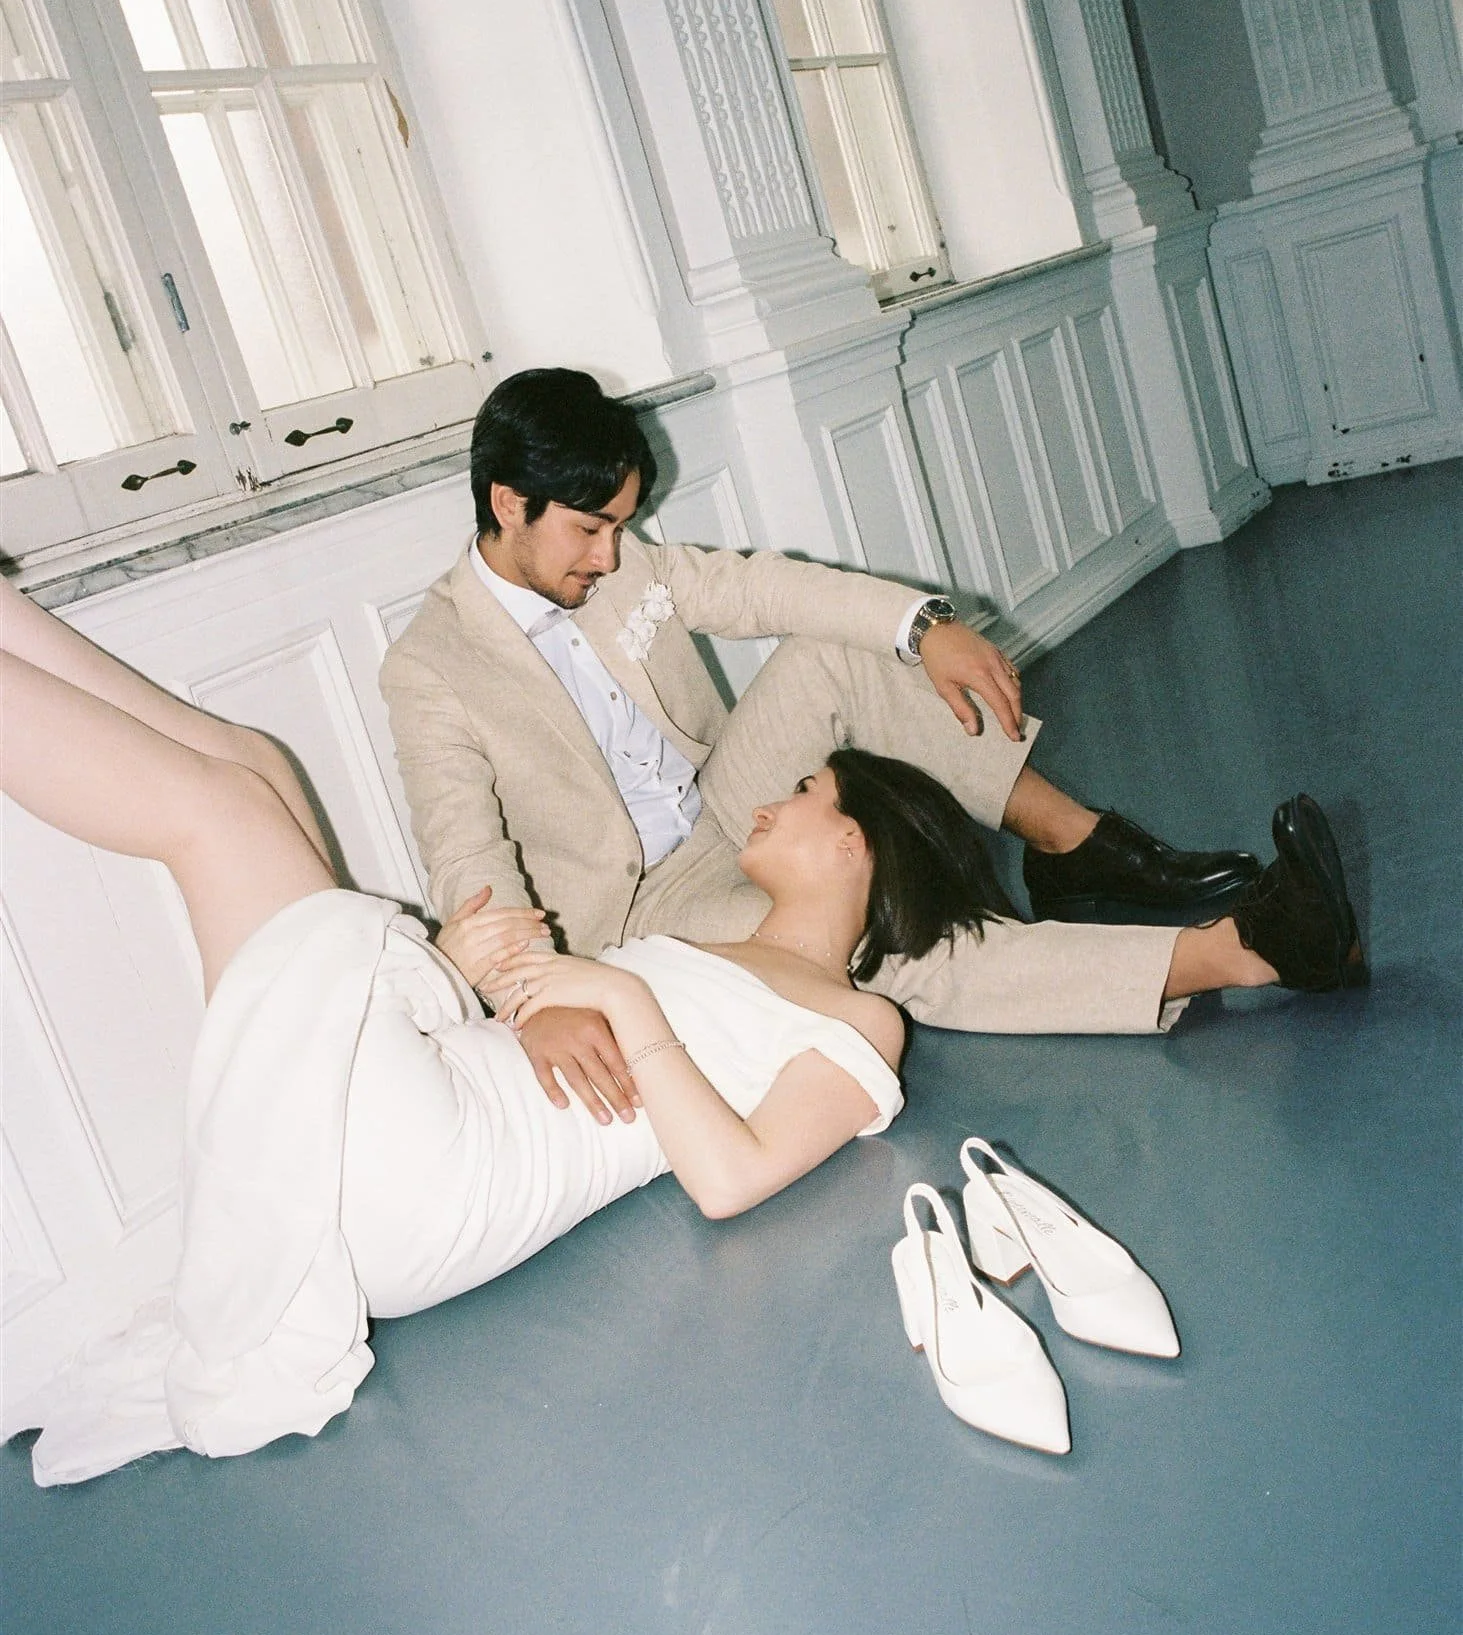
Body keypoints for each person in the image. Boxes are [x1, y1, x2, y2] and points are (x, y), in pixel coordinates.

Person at [0, 576, 1026, 1484]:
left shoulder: (859, 1018)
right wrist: (463, 962)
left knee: (223, 812)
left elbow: (730, 1178)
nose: (772, 798)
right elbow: (546, 1032)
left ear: (852, 843)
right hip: (444, 1093)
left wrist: (617, 998)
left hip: (440, 1183)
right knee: (254, 761)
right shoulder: (705, 941)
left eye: (804, 791)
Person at [380, 369, 1362, 1126]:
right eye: (589, 530)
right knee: (878, 929)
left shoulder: (619, 559)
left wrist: (922, 625)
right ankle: (1240, 952)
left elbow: (766, 587)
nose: (607, 555)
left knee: (836, 652)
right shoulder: (431, 665)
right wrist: (536, 997)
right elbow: (467, 854)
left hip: (726, 803)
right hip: (641, 908)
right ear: (508, 503)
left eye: (619, 528)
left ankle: (1075, 845)